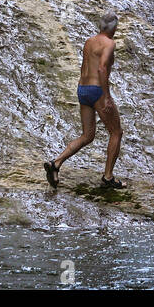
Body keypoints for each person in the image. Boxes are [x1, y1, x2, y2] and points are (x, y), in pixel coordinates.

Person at [44, 13, 126, 190]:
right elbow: (102, 68)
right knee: (116, 132)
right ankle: (108, 177)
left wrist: (84, 89)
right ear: (113, 28)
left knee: (87, 135)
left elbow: (85, 66)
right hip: (97, 91)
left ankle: (55, 163)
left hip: (83, 89)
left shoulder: (89, 41)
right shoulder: (109, 43)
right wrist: (107, 96)